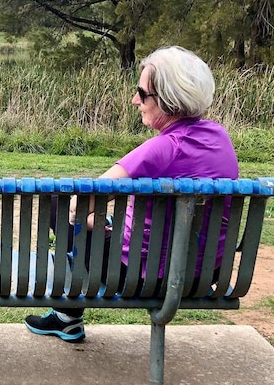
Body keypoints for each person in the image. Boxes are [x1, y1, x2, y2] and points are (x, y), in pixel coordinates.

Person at [24, 46, 239, 342]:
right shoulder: (220, 138)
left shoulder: (161, 149)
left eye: (142, 93)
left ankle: (65, 317)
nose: (135, 99)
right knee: (110, 223)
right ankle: (65, 315)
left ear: (167, 100)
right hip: (204, 273)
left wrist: (93, 224)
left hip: (141, 276)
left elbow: (80, 204)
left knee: (58, 204)